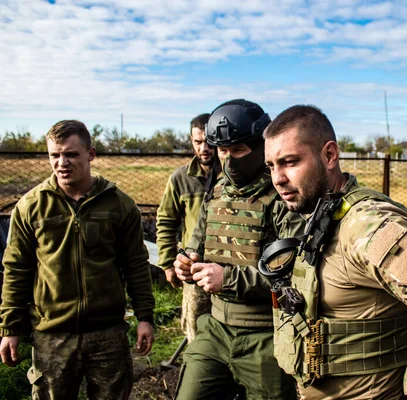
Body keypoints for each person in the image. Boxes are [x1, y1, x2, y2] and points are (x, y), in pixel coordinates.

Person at [261, 105, 407, 399]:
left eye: (290, 162)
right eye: (271, 166)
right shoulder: (323, 216)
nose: (277, 178)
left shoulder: (367, 227)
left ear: (329, 155)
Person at [0, 120, 155, 399]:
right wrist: (10, 327)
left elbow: (135, 265)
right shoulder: (31, 206)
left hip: (107, 333)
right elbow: (16, 269)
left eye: (71, 154)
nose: (62, 163)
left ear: (90, 154)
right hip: (52, 336)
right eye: (54, 155)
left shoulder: (119, 205)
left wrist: (145, 316)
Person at [173, 100, 304, 400]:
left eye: (239, 151)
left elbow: (296, 278)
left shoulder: (281, 199)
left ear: (259, 149)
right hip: (216, 330)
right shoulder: (216, 192)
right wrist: (186, 262)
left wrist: (227, 279)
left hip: (266, 335)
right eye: (223, 151)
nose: (229, 160)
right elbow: (196, 246)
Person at [156, 113, 220, 341]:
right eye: (198, 142)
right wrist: (167, 264)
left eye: (209, 141)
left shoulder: (232, 176)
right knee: (196, 330)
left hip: (228, 268)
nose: (204, 148)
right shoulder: (180, 179)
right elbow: (165, 222)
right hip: (194, 267)